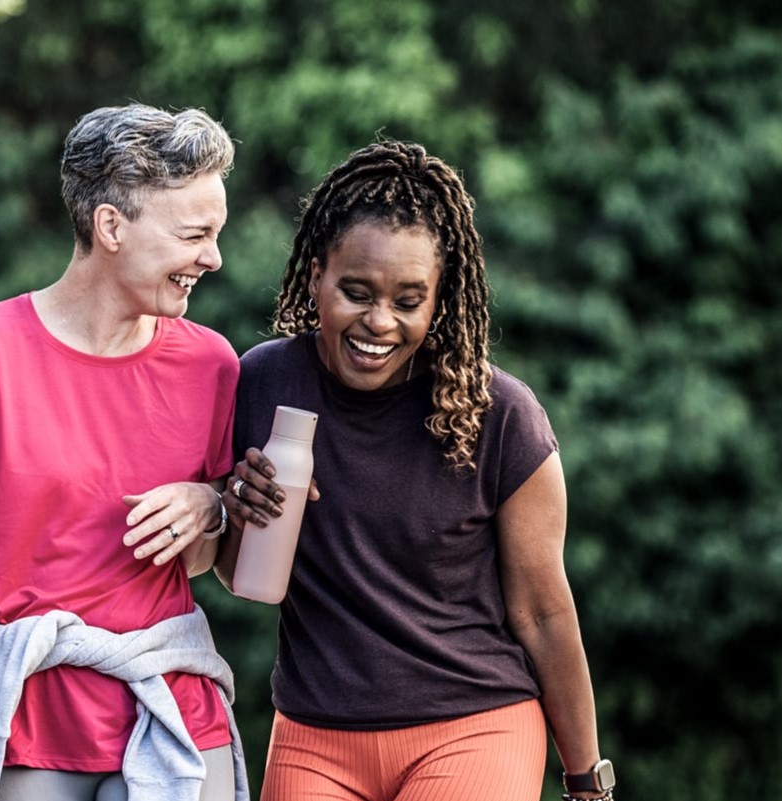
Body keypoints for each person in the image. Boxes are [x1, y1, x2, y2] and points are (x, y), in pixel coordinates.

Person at [0, 103, 249, 801]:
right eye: (194, 234)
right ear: (110, 226)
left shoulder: (213, 365)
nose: (213, 258)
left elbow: (203, 562)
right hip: (17, 716)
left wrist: (213, 506)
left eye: (214, 234)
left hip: (169, 709)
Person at [214, 140, 614, 801]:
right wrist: (238, 509)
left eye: (407, 300)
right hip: (314, 731)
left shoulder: (500, 415)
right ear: (315, 276)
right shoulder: (261, 381)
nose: (378, 321)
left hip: (473, 723)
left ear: (437, 302)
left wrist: (585, 778)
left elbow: (543, 612)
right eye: (355, 292)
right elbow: (239, 576)